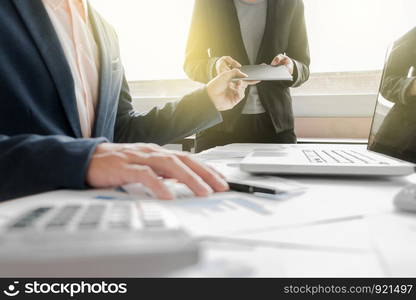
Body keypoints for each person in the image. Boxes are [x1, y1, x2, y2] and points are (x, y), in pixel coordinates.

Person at [0, 0, 251, 201]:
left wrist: (207, 100)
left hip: (93, 221)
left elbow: (120, 133)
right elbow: (94, 155)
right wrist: (78, 160)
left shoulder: (104, 31)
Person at [184, 0, 310, 152]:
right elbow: (191, 63)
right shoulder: (208, 3)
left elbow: (303, 66)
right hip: (217, 124)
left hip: (275, 127)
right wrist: (215, 66)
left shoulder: (291, 3)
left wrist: (291, 68)